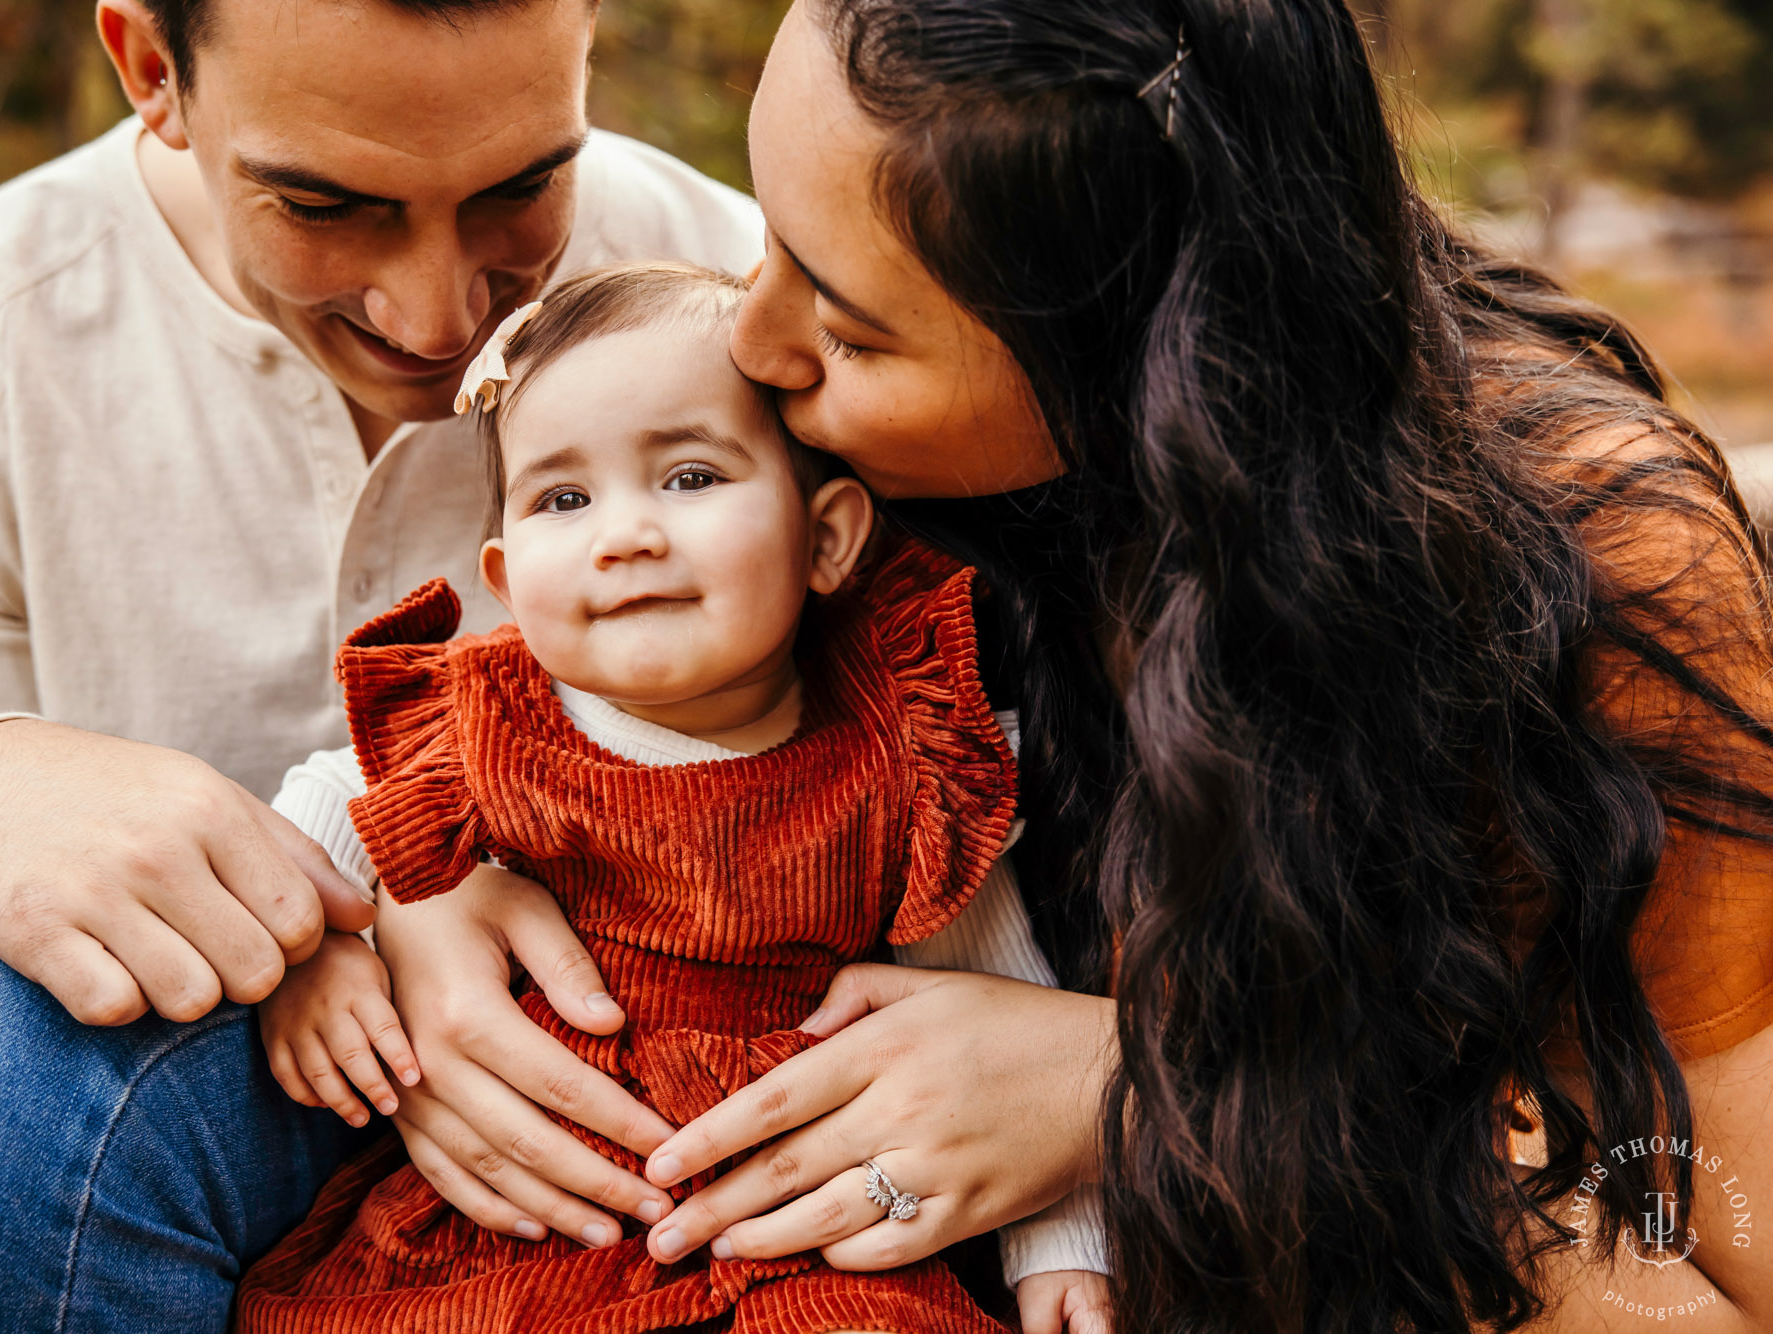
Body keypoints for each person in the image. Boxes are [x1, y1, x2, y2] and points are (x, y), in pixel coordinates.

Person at [373, 1, 1773, 1330]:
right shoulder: (881, 480)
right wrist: (422, 908)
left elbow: (1716, 1264)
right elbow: (596, 712)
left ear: (1133, 361)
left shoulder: (1588, 565)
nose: (757, 341)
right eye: (769, 243)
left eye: (849, 325)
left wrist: (1141, 1086)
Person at [0, 0, 762, 1326]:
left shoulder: (744, 294)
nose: (439, 315)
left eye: (522, 189)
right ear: (150, 69)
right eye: (325, 206)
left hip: (616, 1176)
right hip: (59, 1197)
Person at [233, 261, 1108, 1331]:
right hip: (529, 1215)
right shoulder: (489, 717)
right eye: (564, 497)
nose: (625, 533)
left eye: (689, 477)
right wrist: (308, 951)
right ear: (507, 581)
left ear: (825, 537)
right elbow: (326, 805)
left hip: (796, 1231)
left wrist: (1061, 1242)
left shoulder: (894, 749)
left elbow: (990, 1012)